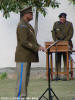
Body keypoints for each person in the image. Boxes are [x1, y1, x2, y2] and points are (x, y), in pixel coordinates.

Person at [15, 6, 45, 99]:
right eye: (30, 13)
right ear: (25, 15)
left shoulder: (28, 25)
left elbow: (32, 41)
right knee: (21, 79)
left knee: (25, 79)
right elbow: (24, 42)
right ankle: (20, 97)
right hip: (22, 56)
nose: (32, 15)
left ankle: (24, 96)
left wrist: (40, 46)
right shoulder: (22, 25)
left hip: (27, 56)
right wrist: (36, 48)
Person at [52, 13, 74, 80]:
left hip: (67, 43)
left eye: (63, 18)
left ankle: (65, 75)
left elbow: (71, 34)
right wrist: (56, 40)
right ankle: (57, 75)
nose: (62, 19)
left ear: (65, 18)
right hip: (57, 44)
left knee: (65, 59)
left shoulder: (69, 24)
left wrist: (64, 41)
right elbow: (53, 33)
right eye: (61, 18)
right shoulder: (56, 24)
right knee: (57, 60)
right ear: (59, 18)